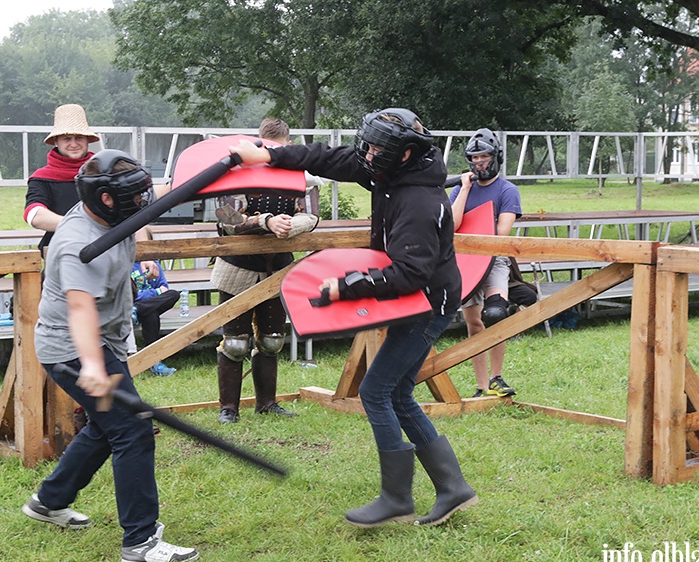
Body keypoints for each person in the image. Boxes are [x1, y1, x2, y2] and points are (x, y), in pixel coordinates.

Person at [228, 107, 478, 527]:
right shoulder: (391, 169)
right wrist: (269, 156)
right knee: (396, 394)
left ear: (402, 153)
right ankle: (453, 489)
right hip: (416, 296)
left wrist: (346, 287)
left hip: (427, 300)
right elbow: (332, 159)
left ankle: (397, 498)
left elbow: (409, 272)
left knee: (376, 392)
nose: (367, 153)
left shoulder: (416, 198)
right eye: (369, 143)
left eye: (377, 148)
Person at [21, 149, 198, 562]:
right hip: (74, 349)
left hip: (101, 341)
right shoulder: (77, 243)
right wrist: (95, 368)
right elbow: (80, 308)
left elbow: (173, 194)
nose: (144, 202)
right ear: (105, 198)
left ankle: (50, 501)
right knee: (133, 430)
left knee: (106, 428)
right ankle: (140, 543)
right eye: (136, 197)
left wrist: (230, 162)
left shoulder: (118, 213)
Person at [210, 117, 319, 424]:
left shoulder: (298, 173)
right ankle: (228, 408)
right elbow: (228, 221)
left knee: (272, 340)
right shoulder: (238, 171)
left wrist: (289, 226)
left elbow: (311, 215)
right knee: (235, 343)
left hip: (277, 266)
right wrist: (266, 221)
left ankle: (267, 403)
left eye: (280, 148)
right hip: (238, 267)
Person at [449, 128, 522, 399]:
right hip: (465, 261)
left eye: (484, 157)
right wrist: (465, 189)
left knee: (495, 315)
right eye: (475, 158)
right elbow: (452, 225)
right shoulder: (460, 189)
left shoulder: (507, 190)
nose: (480, 163)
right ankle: (481, 385)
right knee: (474, 323)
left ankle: (497, 377)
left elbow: (502, 234)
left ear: (495, 158)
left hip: (495, 259)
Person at [24, 104, 100, 254]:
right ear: (56, 142)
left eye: (79, 137)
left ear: (87, 141)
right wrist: (80, 225)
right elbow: (34, 214)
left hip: (107, 253)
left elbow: (130, 212)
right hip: (61, 255)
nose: (74, 144)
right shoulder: (41, 178)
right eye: (67, 138)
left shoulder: (105, 172)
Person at [131, 260, 180, 376]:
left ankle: (137, 309)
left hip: (141, 306)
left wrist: (142, 300)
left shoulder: (155, 264)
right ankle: (154, 362)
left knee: (174, 294)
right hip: (144, 304)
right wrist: (156, 292)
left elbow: (165, 290)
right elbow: (130, 294)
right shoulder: (126, 264)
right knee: (151, 314)